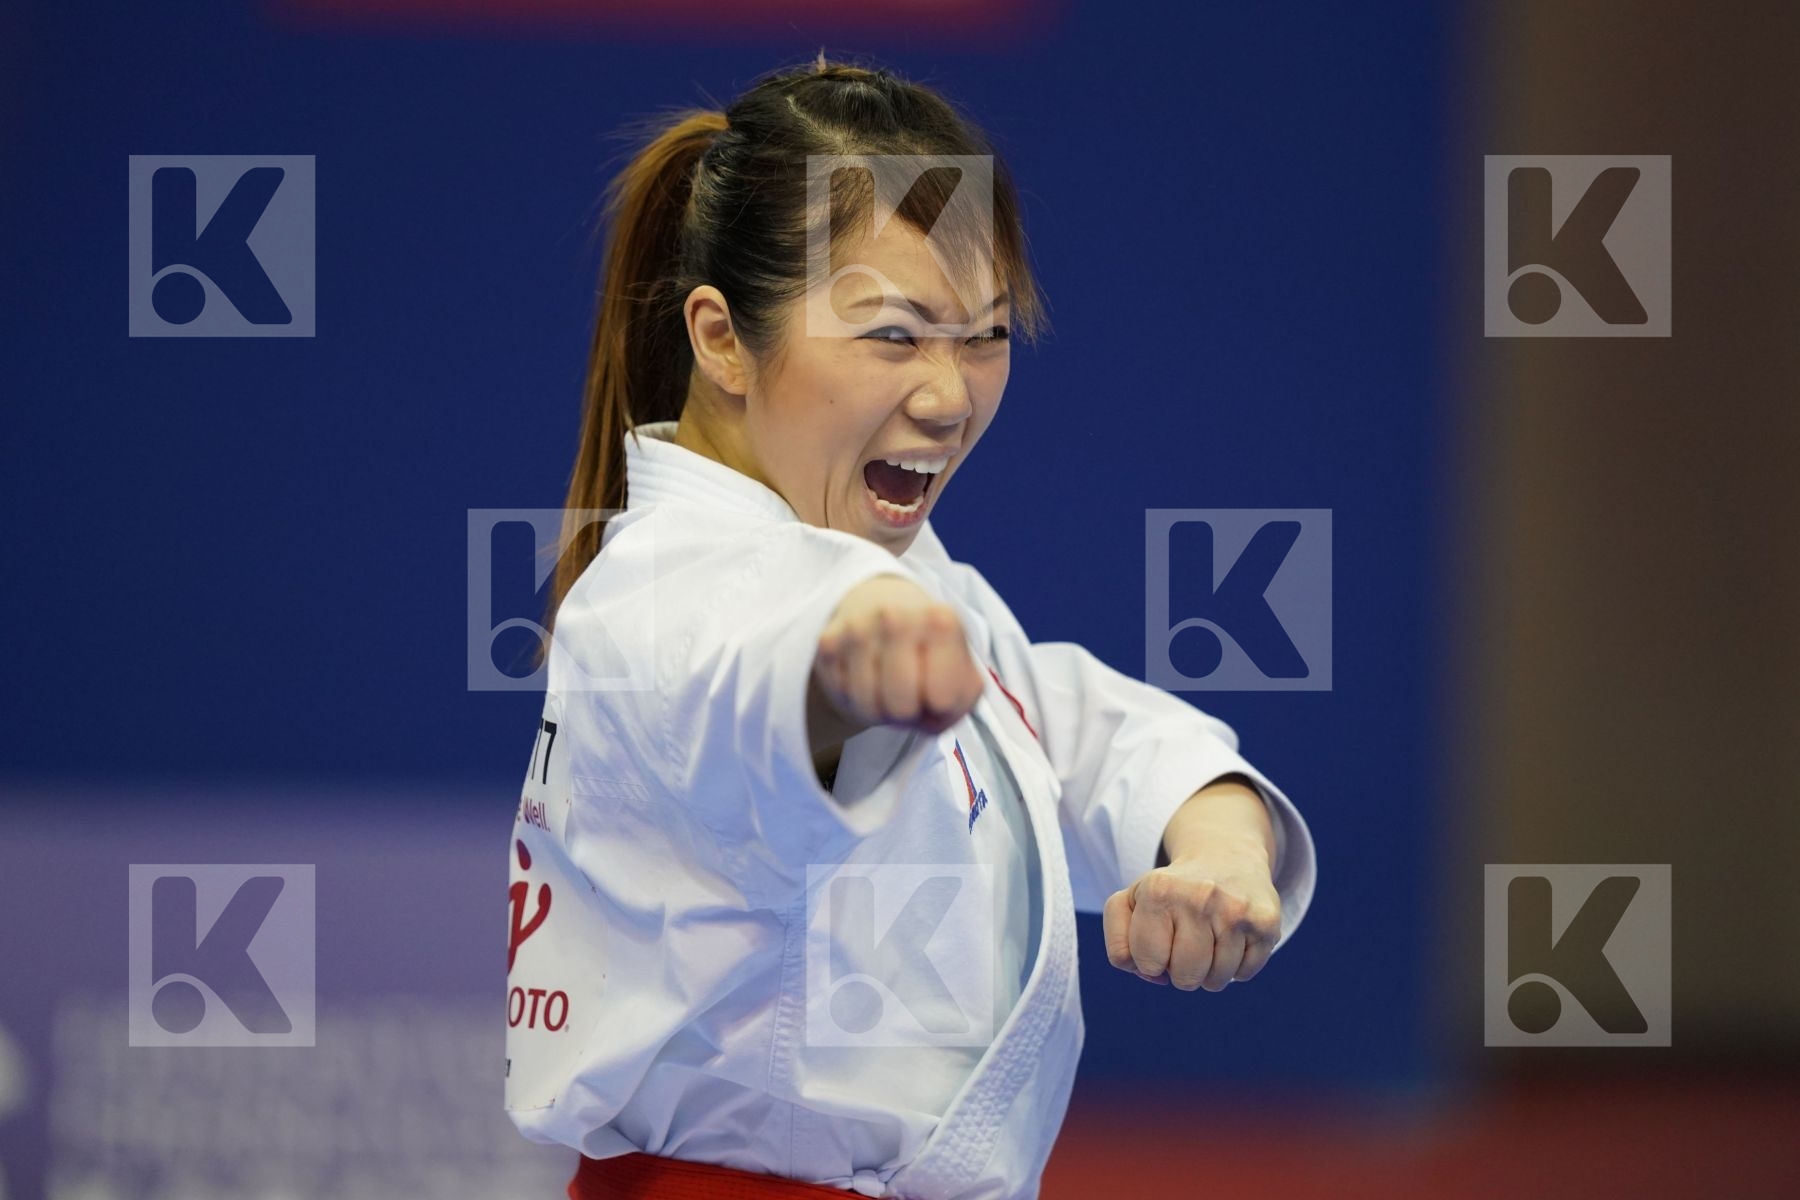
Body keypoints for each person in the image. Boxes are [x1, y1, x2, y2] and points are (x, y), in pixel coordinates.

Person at [504, 51, 1318, 1200]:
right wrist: (857, 672)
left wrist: (1221, 850)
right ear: (722, 337)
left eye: (984, 335)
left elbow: (1089, 735)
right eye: (893, 334)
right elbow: (762, 692)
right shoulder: (667, 595)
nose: (948, 396)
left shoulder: (900, 570)